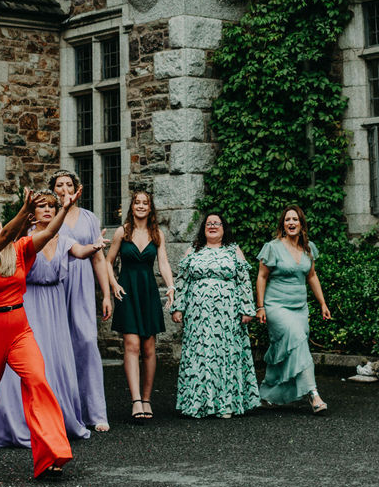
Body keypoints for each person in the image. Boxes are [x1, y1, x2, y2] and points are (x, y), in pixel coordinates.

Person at [0, 189, 76, 476]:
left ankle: (51, 454)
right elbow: (6, 234)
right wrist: (25, 209)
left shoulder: (20, 249)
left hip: (20, 327)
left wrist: (65, 209)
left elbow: (48, 233)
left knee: (37, 381)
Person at [0, 187, 91, 448]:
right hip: (30, 302)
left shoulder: (64, 237)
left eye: (52, 206)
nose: (47, 210)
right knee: (31, 362)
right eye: (42, 206)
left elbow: (80, 252)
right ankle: (22, 421)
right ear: (33, 212)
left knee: (56, 359)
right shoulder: (24, 239)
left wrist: (97, 246)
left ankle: (57, 420)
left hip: (55, 303)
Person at [169, 211, 261, 419]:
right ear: (203, 229)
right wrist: (178, 307)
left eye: (216, 223)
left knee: (225, 355)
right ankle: (197, 404)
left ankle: (226, 404)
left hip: (228, 316)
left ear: (223, 228)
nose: (212, 226)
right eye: (208, 223)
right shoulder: (193, 250)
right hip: (198, 316)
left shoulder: (233, 250)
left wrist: (247, 309)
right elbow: (182, 280)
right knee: (200, 355)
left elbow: (244, 280)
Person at [51, 169, 113, 432]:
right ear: (52, 190)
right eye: (59, 185)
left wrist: (106, 294)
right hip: (56, 282)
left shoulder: (89, 217)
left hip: (84, 283)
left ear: (77, 188)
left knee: (86, 342)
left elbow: (98, 257)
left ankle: (95, 412)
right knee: (57, 344)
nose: (64, 188)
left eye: (69, 184)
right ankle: (61, 413)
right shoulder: (49, 215)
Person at [104, 188, 174, 422]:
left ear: (150, 208)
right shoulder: (122, 232)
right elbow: (108, 261)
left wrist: (171, 286)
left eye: (145, 203)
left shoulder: (157, 234)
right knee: (132, 345)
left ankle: (146, 399)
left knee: (149, 348)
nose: (141, 206)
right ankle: (135, 400)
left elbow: (163, 263)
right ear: (132, 207)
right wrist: (113, 284)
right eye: (137, 202)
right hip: (127, 290)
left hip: (148, 292)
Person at [256, 206, 332, 415]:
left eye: (295, 219)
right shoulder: (272, 247)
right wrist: (260, 306)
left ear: (301, 224)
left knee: (287, 349)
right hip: (276, 306)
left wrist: (322, 303)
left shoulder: (308, 249)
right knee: (297, 340)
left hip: (300, 307)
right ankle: (312, 393)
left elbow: (311, 276)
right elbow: (262, 277)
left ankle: (270, 394)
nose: (291, 223)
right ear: (283, 224)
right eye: (287, 219)